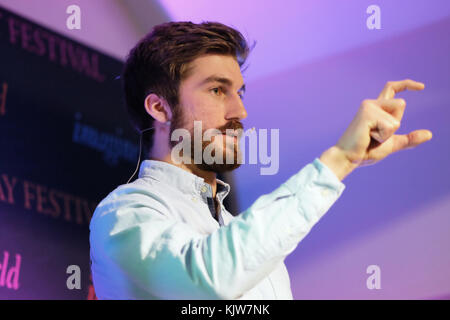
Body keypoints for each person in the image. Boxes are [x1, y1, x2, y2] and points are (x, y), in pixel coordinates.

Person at [89, 21, 432, 300]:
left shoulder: (239, 230)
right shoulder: (125, 213)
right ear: (159, 107)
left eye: (240, 92)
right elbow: (207, 281)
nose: (240, 111)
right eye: (217, 90)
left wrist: (349, 161)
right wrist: (341, 158)